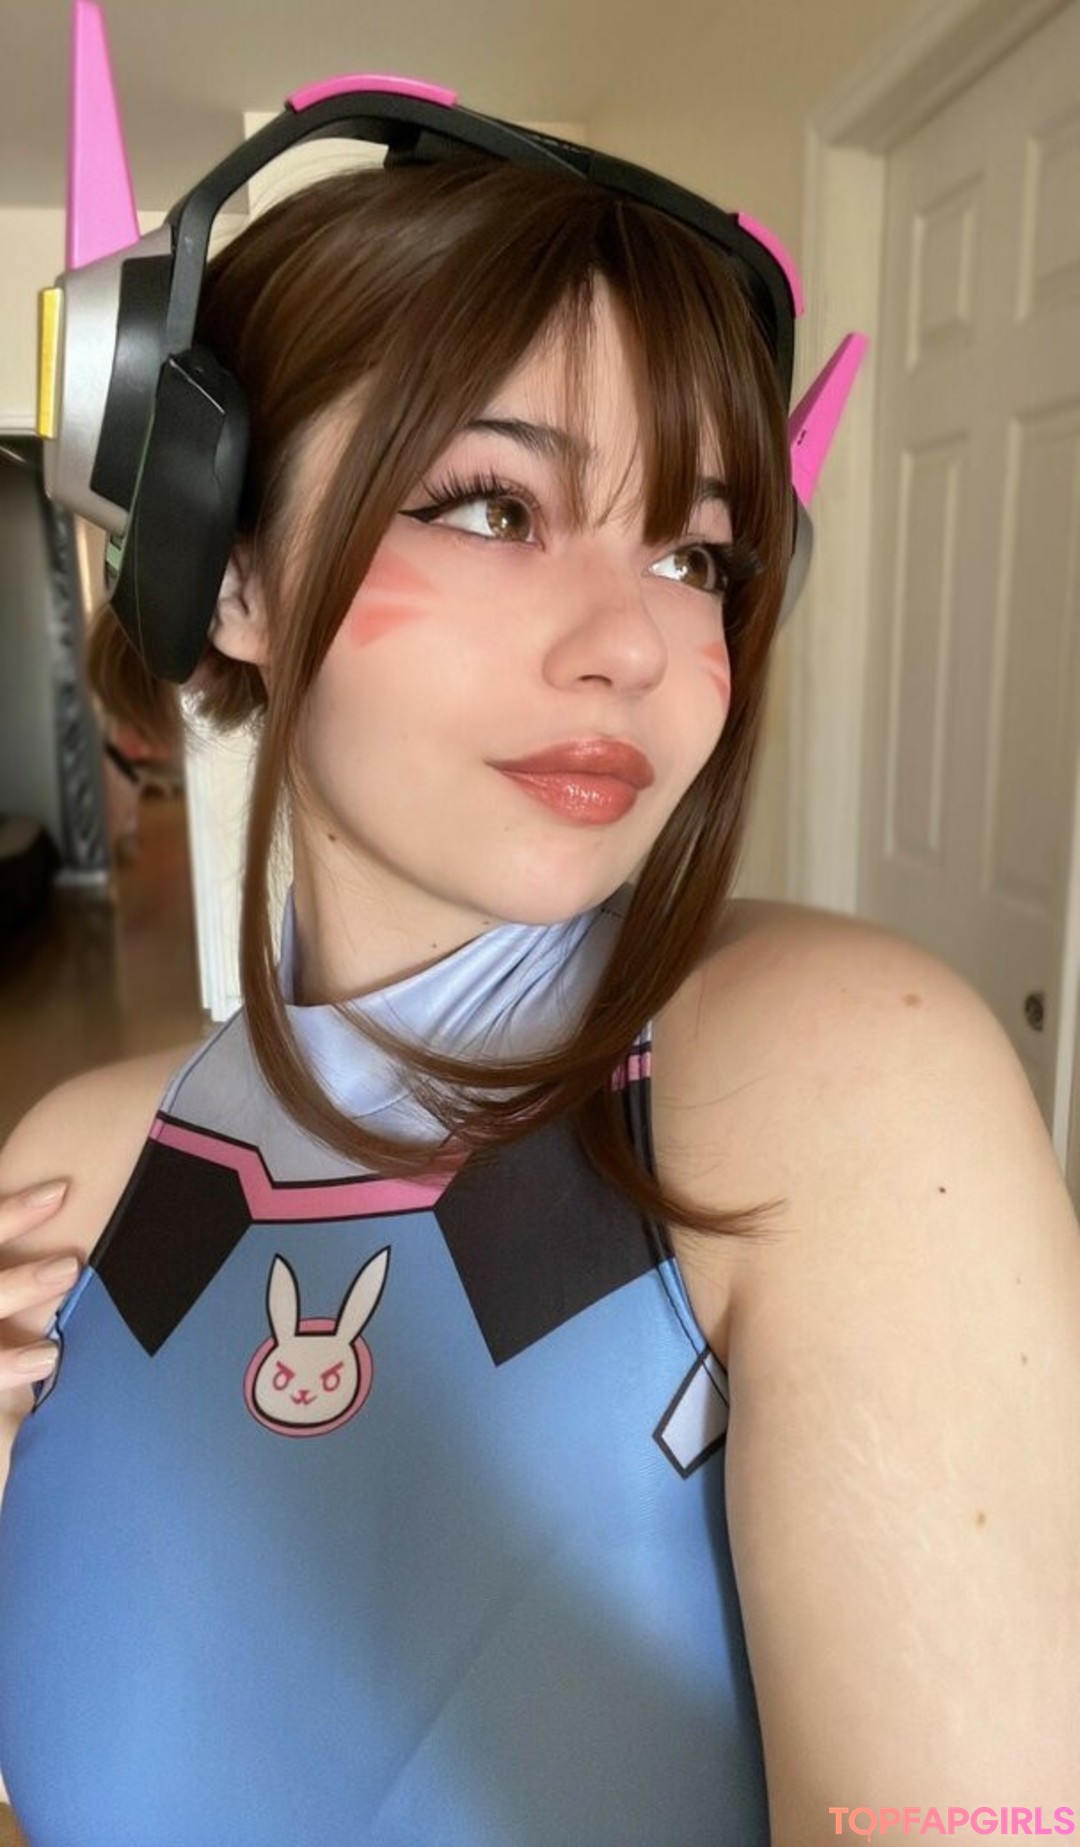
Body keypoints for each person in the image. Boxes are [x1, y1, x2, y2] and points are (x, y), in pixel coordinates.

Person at [2, 10, 1080, 1845]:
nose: (635, 644)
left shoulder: (831, 1086)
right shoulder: (85, 1178)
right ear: (222, 560)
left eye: (696, 554)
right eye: (497, 507)